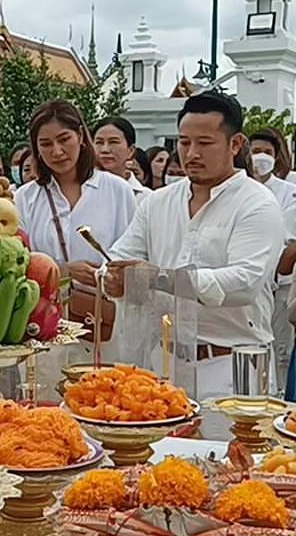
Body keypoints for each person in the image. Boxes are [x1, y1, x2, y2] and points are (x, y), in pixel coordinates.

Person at [106, 91, 284, 412]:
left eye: (205, 143)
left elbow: (244, 282)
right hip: (163, 362)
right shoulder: (157, 202)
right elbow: (119, 257)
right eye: (184, 142)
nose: (191, 153)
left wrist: (158, 278)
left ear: (235, 144)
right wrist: (112, 278)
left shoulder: (257, 204)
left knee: (233, 459)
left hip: (231, 366)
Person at [16, 100, 136, 291]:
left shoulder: (118, 190)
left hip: (102, 311)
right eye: (46, 144)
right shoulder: (24, 197)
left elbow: (133, 254)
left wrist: (105, 275)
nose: (57, 151)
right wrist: (62, 271)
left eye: (64, 139)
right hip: (45, 313)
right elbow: (16, 262)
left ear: (80, 136)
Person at [249, 130, 296, 382]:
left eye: (267, 153)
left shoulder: (289, 191)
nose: (261, 158)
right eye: (256, 152)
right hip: (252, 280)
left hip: (281, 282)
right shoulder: (243, 189)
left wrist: (282, 271)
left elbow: (289, 241)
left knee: (280, 346)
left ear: (277, 157)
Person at [93, 116, 147, 200]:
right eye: (99, 142)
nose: (105, 149)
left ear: (131, 150)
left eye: (113, 142)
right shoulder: (80, 191)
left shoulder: (146, 198)